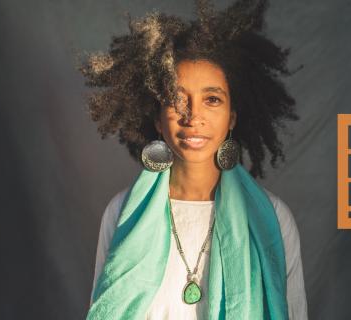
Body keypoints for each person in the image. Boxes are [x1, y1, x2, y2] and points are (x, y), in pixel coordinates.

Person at [80, 0, 307, 318]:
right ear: (158, 119)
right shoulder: (121, 212)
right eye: (176, 100)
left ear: (232, 118)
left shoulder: (273, 217)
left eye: (212, 100)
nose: (193, 116)